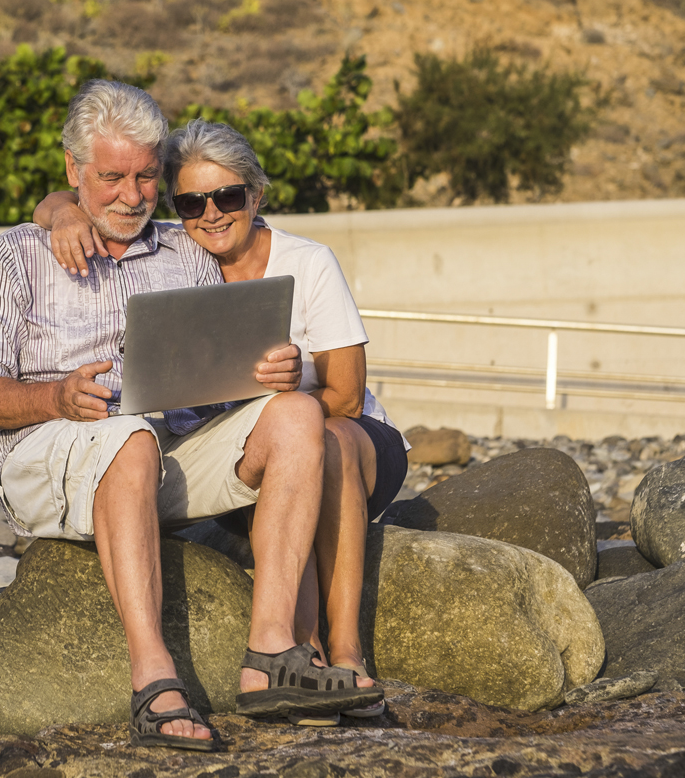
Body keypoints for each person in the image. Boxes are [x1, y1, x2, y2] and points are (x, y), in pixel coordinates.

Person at [0, 82, 382, 751]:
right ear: (73, 172)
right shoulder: (18, 255)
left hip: (170, 457)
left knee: (298, 411)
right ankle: (153, 680)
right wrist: (54, 397)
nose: (131, 195)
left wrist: (267, 373)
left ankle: (270, 652)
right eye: (111, 178)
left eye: (148, 177)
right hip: (54, 453)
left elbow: (227, 381)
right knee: (126, 436)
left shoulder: (185, 251)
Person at [33, 118, 409, 723]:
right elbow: (79, 195)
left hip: (347, 435)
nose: (210, 214)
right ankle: (295, 659)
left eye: (227, 197)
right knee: (294, 438)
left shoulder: (306, 263)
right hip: (240, 458)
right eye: (190, 201)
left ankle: (338, 652)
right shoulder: (175, 256)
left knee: (320, 432)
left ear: (255, 196)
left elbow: (346, 395)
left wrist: (295, 380)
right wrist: (59, 210)